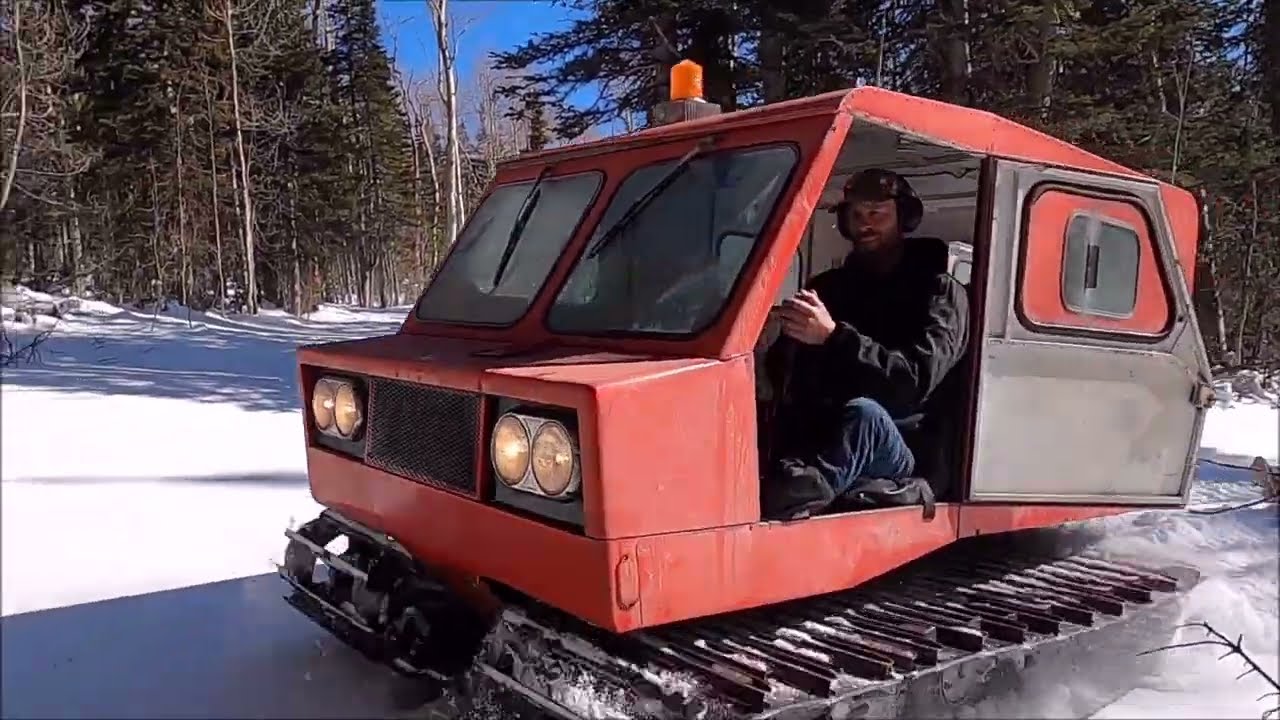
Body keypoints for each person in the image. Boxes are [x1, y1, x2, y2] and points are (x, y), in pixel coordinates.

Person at [760, 168, 970, 520]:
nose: (865, 224)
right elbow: (791, 379)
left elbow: (911, 384)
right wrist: (771, 345)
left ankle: (794, 499)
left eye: (877, 213)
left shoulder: (940, 292)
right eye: (856, 215)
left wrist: (833, 337)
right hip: (832, 435)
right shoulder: (829, 288)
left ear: (904, 217)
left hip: (902, 447)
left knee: (865, 414)